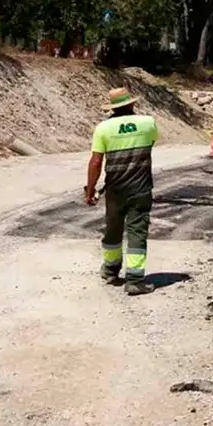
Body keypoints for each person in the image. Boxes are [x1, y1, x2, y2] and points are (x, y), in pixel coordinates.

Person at [84, 87, 160, 296]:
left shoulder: (103, 128)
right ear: (132, 104)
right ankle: (135, 280)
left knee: (113, 228)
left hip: (115, 188)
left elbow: (96, 161)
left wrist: (90, 190)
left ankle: (110, 270)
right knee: (137, 230)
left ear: (112, 107)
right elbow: (151, 143)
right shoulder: (147, 123)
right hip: (140, 187)